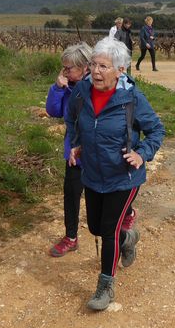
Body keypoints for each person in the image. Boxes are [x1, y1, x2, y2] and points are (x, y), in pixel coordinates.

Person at [66, 37, 165, 310]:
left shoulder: (131, 98)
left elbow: (156, 130)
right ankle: (128, 238)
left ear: (121, 70)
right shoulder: (82, 91)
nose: (95, 72)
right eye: (93, 65)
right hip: (92, 173)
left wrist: (141, 154)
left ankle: (106, 287)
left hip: (124, 177)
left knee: (108, 230)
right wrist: (77, 144)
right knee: (95, 227)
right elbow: (73, 119)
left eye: (103, 67)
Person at [45, 43, 93, 257]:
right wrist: (57, 88)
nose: (64, 72)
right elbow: (53, 111)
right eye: (63, 67)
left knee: (99, 198)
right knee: (71, 195)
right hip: (74, 153)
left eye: (68, 68)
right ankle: (71, 237)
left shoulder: (97, 87)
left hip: (96, 154)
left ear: (84, 67)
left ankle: (118, 228)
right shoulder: (66, 88)